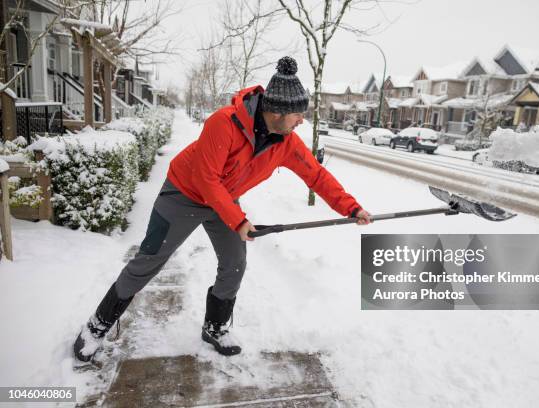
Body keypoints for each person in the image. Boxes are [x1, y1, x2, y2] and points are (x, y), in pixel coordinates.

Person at [73, 56, 371, 360]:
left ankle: (215, 327)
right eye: (297, 114)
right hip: (182, 194)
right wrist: (239, 221)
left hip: (224, 200)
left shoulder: (286, 143)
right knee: (148, 261)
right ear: (278, 111)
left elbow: (316, 175)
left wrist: (351, 208)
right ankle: (96, 326)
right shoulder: (224, 123)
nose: (301, 120)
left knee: (234, 264)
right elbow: (206, 178)